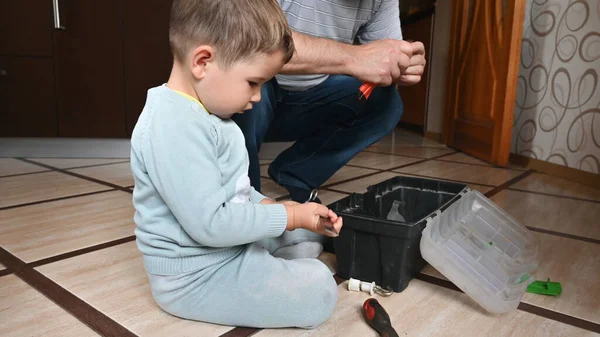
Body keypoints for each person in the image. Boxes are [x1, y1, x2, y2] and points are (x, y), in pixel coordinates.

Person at [130, 0, 343, 329]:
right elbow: (212, 223)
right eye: (253, 82)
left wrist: (273, 206)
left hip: (225, 246)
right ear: (203, 62)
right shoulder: (171, 124)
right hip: (195, 275)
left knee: (308, 238)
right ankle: (270, 267)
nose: (258, 97)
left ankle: (268, 260)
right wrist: (288, 215)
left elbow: (235, 191)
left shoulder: (212, 113)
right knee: (319, 291)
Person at [233, 0, 426, 203]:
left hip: (310, 99)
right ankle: (244, 199)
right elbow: (252, 42)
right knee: (246, 79)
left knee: (386, 102)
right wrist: (354, 57)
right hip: (257, 97)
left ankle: (296, 173)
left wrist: (402, 65)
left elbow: (385, 63)